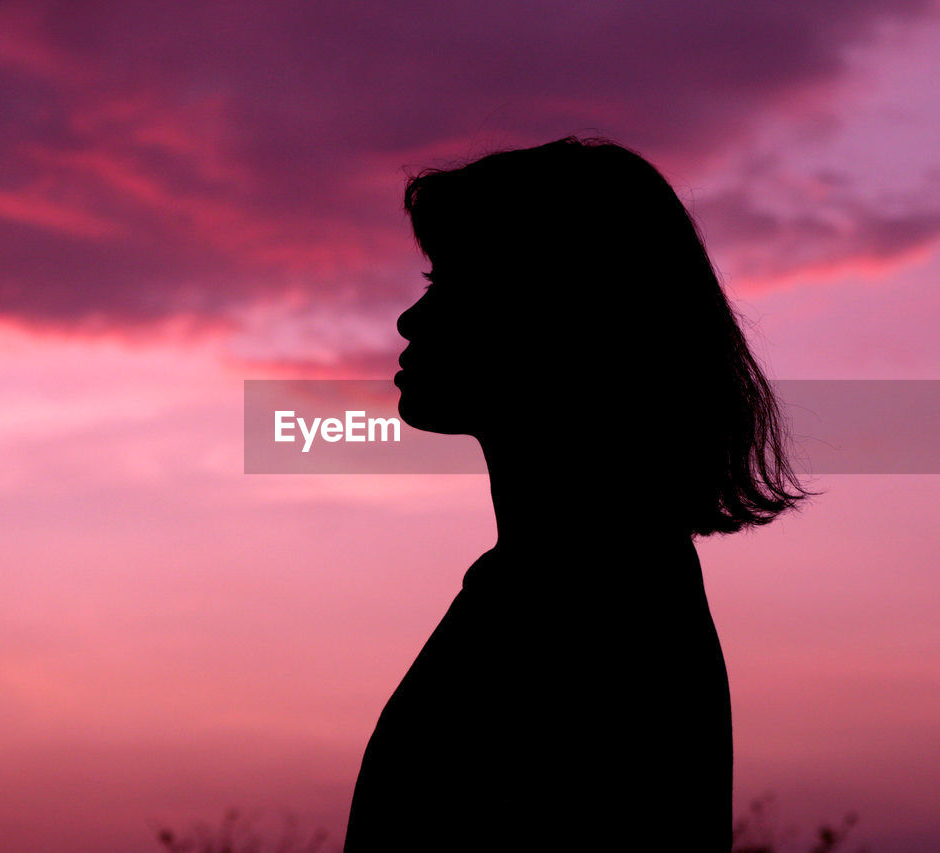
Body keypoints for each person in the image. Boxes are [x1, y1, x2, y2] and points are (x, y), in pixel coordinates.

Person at [343, 136, 811, 852]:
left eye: (451, 282)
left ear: (555, 311)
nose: (412, 319)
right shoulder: (574, 579)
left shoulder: (588, 598)